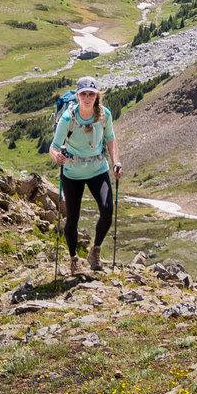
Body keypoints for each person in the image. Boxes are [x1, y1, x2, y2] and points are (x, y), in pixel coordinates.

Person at [49, 76, 120, 273]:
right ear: (78, 95)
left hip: (98, 169)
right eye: (83, 94)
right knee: (73, 217)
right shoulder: (67, 119)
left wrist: (117, 163)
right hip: (72, 173)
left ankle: (95, 251)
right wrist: (57, 157)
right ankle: (74, 260)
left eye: (91, 93)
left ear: (97, 95)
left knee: (107, 210)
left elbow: (111, 140)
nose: (87, 97)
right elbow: (53, 147)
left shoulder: (104, 115)